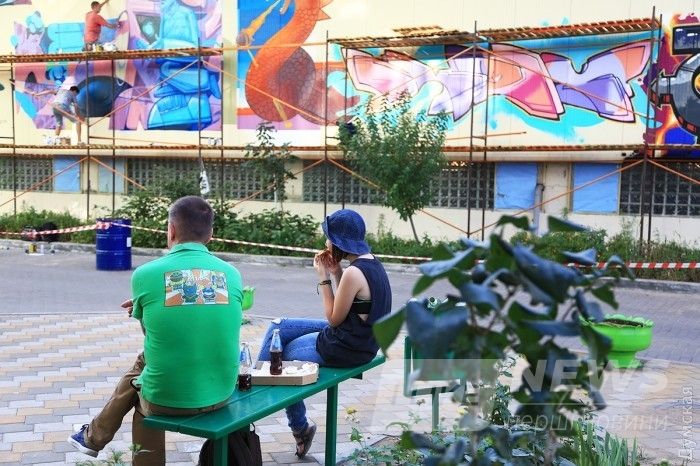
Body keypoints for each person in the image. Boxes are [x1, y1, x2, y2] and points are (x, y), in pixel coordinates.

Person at [67, 196, 244, 465]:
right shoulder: (232, 274)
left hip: (167, 400)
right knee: (149, 366)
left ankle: (94, 438)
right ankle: (91, 437)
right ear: (211, 234)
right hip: (222, 391)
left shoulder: (146, 273)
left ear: (171, 230)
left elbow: (153, 339)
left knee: (143, 383)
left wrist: (145, 309)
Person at [256, 209, 392, 459]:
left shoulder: (354, 273)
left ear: (339, 242)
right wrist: (337, 271)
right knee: (278, 326)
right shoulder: (371, 263)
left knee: (281, 354)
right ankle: (261, 386)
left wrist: (324, 278)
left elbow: (333, 317)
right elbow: (348, 307)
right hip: (360, 341)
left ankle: (262, 405)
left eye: (329, 237)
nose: (326, 242)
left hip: (343, 347)